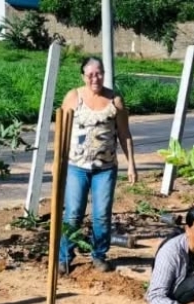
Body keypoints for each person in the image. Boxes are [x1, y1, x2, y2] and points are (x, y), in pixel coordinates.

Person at [58, 56, 137, 275]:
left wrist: (131, 164)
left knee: (101, 215)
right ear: (83, 76)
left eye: (99, 73)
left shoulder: (115, 100)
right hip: (76, 167)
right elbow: (61, 132)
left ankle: (99, 256)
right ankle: (64, 257)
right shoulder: (73, 97)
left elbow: (124, 134)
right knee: (73, 213)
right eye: (91, 74)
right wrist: (59, 163)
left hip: (105, 169)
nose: (96, 78)